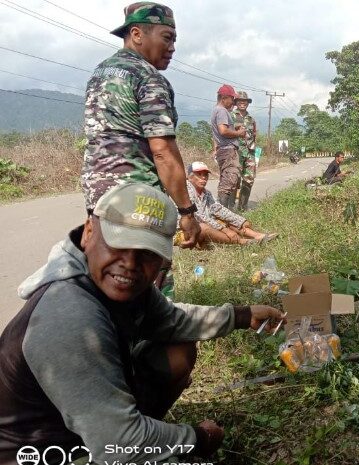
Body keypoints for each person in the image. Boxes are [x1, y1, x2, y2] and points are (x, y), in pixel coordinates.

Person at [0, 183, 286, 465]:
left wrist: (242, 315)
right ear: (89, 232)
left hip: (88, 426)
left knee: (177, 350)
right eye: (118, 243)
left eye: (147, 252)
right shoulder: (67, 314)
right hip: (39, 451)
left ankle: (139, 428)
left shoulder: (117, 283)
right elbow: (121, 444)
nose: (130, 263)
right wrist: (198, 438)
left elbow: (175, 321)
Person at [81, 2, 200, 248]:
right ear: (136, 34)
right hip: (139, 199)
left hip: (98, 195)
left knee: (109, 271)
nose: (172, 48)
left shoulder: (99, 72)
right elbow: (163, 151)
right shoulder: (149, 78)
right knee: (149, 276)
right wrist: (186, 211)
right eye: (167, 38)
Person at [180, 161, 277, 246]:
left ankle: (257, 236)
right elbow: (200, 217)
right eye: (199, 174)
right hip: (187, 231)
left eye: (205, 175)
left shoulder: (206, 193)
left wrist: (240, 221)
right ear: (190, 177)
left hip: (203, 225)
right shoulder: (185, 192)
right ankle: (242, 242)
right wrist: (225, 230)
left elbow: (219, 210)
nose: (203, 178)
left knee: (225, 219)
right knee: (202, 227)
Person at [211, 84, 246, 210]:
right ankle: (222, 213)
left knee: (227, 179)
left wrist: (233, 130)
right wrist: (239, 133)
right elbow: (223, 131)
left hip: (223, 150)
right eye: (232, 98)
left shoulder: (217, 110)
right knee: (229, 180)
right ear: (224, 97)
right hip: (227, 150)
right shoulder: (221, 111)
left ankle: (222, 211)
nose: (233, 101)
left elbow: (220, 132)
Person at [232, 91, 258, 211]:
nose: (243, 103)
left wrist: (255, 153)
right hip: (236, 152)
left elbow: (254, 135)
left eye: (245, 101)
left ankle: (243, 207)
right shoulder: (230, 116)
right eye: (240, 101)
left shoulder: (251, 119)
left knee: (249, 179)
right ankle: (229, 207)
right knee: (233, 179)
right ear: (236, 102)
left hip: (250, 153)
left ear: (248, 103)